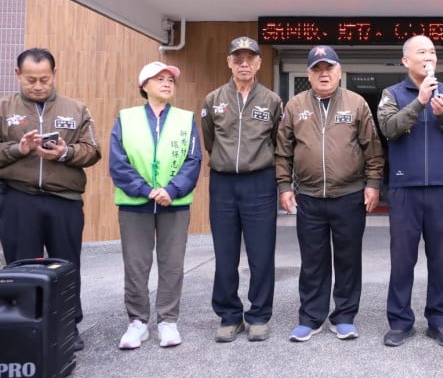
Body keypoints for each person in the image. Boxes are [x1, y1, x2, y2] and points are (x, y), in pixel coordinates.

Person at [276, 45, 384, 342]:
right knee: (313, 260)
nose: (324, 74)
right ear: (309, 75)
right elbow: (283, 151)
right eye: (317, 70)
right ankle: (311, 317)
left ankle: (345, 317)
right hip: (309, 196)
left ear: (339, 72)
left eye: (329, 69)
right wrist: (285, 186)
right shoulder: (295, 106)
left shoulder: (356, 103)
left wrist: (373, 184)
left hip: (349, 195)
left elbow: (372, 148)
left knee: (349, 259)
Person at [0, 47, 102, 351]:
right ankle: (20, 330)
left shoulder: (75, 108)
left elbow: (93, 150)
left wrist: (65, 153)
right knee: (20, 267)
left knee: (67, 265)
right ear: (18, 75)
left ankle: (69, 326)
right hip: (19, 199)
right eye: (31, 79)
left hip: (64, 200)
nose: (38, 85)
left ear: (54, 75)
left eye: (44, 79)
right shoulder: (5, 108)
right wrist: (19, 148)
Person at [377, 35, 443, 348]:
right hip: (405, 189)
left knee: (442, 260)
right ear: (406, 61)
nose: (428, 56)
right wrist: (419, 102)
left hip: (442, 190)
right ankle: (400, 322)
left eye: (432, 51)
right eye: (421, 52)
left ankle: (440, 322)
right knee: (402, 259)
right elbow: (388, 128)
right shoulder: (392, 94)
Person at [109, 61, 202, 349]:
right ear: (144, 86)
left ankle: (167, 321)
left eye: (170, 80)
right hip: (136, 203)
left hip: (174, 203)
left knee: (172, 263)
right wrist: (147, 191)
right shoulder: (126, 118)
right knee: (136, 265)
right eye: (159, 79)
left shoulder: (186, 119)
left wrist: (171, 190)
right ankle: (137, 322)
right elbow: (118, 162)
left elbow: (193, 159)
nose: (166, 84)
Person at [201, 36, 283, 343]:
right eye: (238, 58)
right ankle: (229, 315)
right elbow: (210, 140)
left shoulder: (272, 101)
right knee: (225, 254)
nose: (244, 63)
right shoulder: (213, 100)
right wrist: (226, 162)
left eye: (250, 58)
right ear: (229, 62)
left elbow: (278, 141)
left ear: (260, 63)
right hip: (223, 184)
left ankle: (259, 315)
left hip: (259, 182)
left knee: (261, 254)